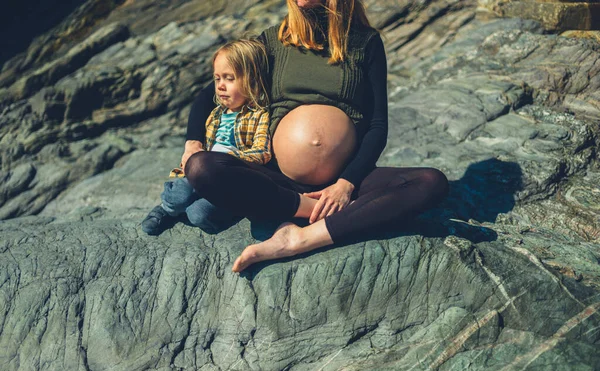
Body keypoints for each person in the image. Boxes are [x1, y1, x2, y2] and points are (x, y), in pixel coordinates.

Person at [184, 0, 449, 272]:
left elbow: (377, 125)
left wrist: (346, 184)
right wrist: (193, 141)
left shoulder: (365, 43)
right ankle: (310, 210)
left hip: (341, 181)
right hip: (278, 178)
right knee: (202, 167)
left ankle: (302, 237)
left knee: (430, 181)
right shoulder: (274, 40)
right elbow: (210, 95)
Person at [141, 38, 271, 235]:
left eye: (229, 78)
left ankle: (226, 212)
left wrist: (230, 160)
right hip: (198, 175)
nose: (220, 86)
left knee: (198, 215)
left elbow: (263, 152)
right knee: (180, 194)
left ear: (252, 80)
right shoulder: (215, 114)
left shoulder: (260, 115)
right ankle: (166, 209)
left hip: (229, 180)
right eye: (217, 78)